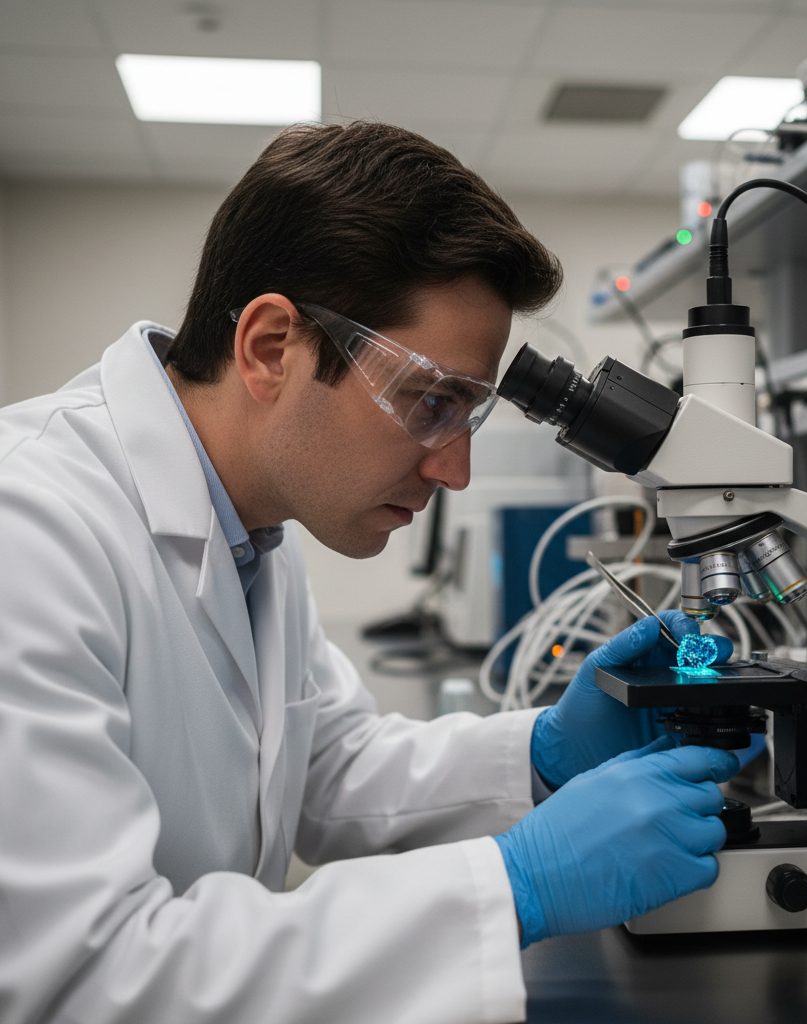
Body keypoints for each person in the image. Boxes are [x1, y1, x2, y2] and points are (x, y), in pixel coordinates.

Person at [0, 121, 740, 1024]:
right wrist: (515, 888)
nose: (455, 470)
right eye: (433, 401)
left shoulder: (251, 526)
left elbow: (327, 769)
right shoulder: (30, 528)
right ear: (272, 347)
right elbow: (83, 978)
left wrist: (542, 754)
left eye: (467, 413)